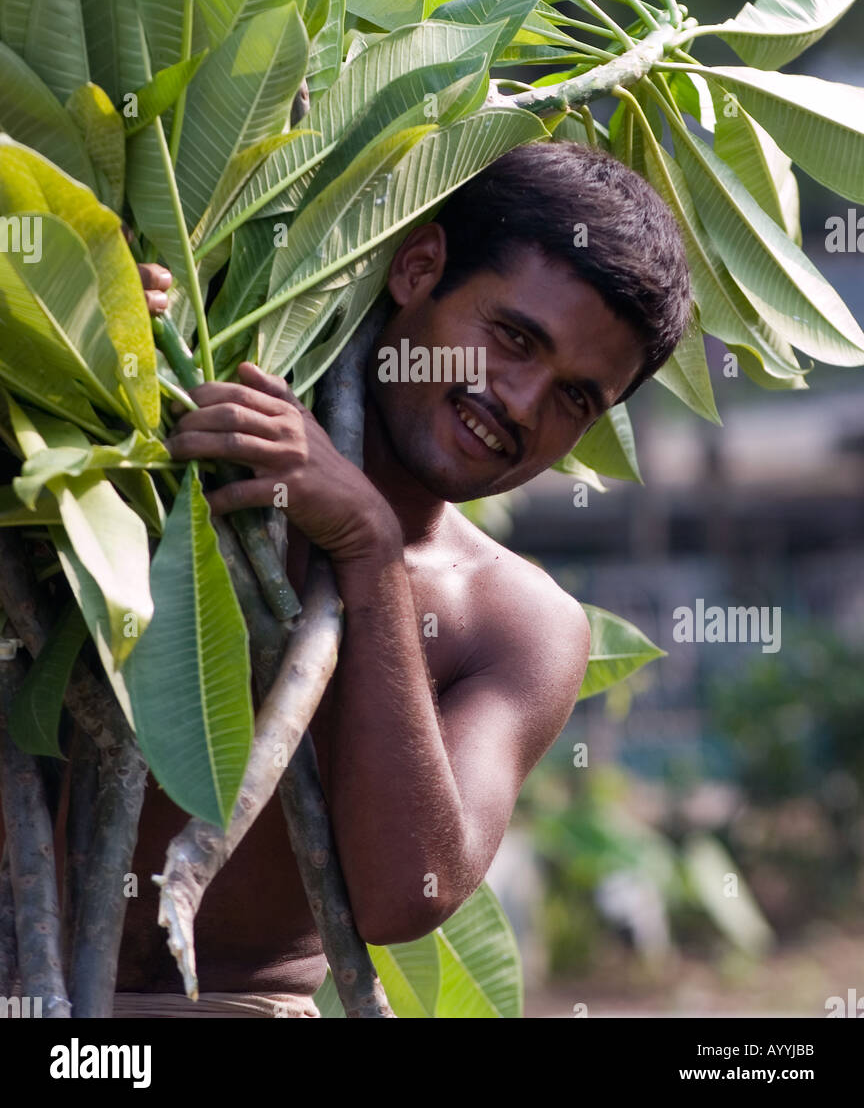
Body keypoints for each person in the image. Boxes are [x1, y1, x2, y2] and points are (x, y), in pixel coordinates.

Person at [120, 139, 691, 1016]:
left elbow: (409, 891)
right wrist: (93, 342)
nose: (522, 403)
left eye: (576, 397)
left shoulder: (517, 622)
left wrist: (371, 549)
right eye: (511, 338)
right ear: (417, 267)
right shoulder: (180, 428)